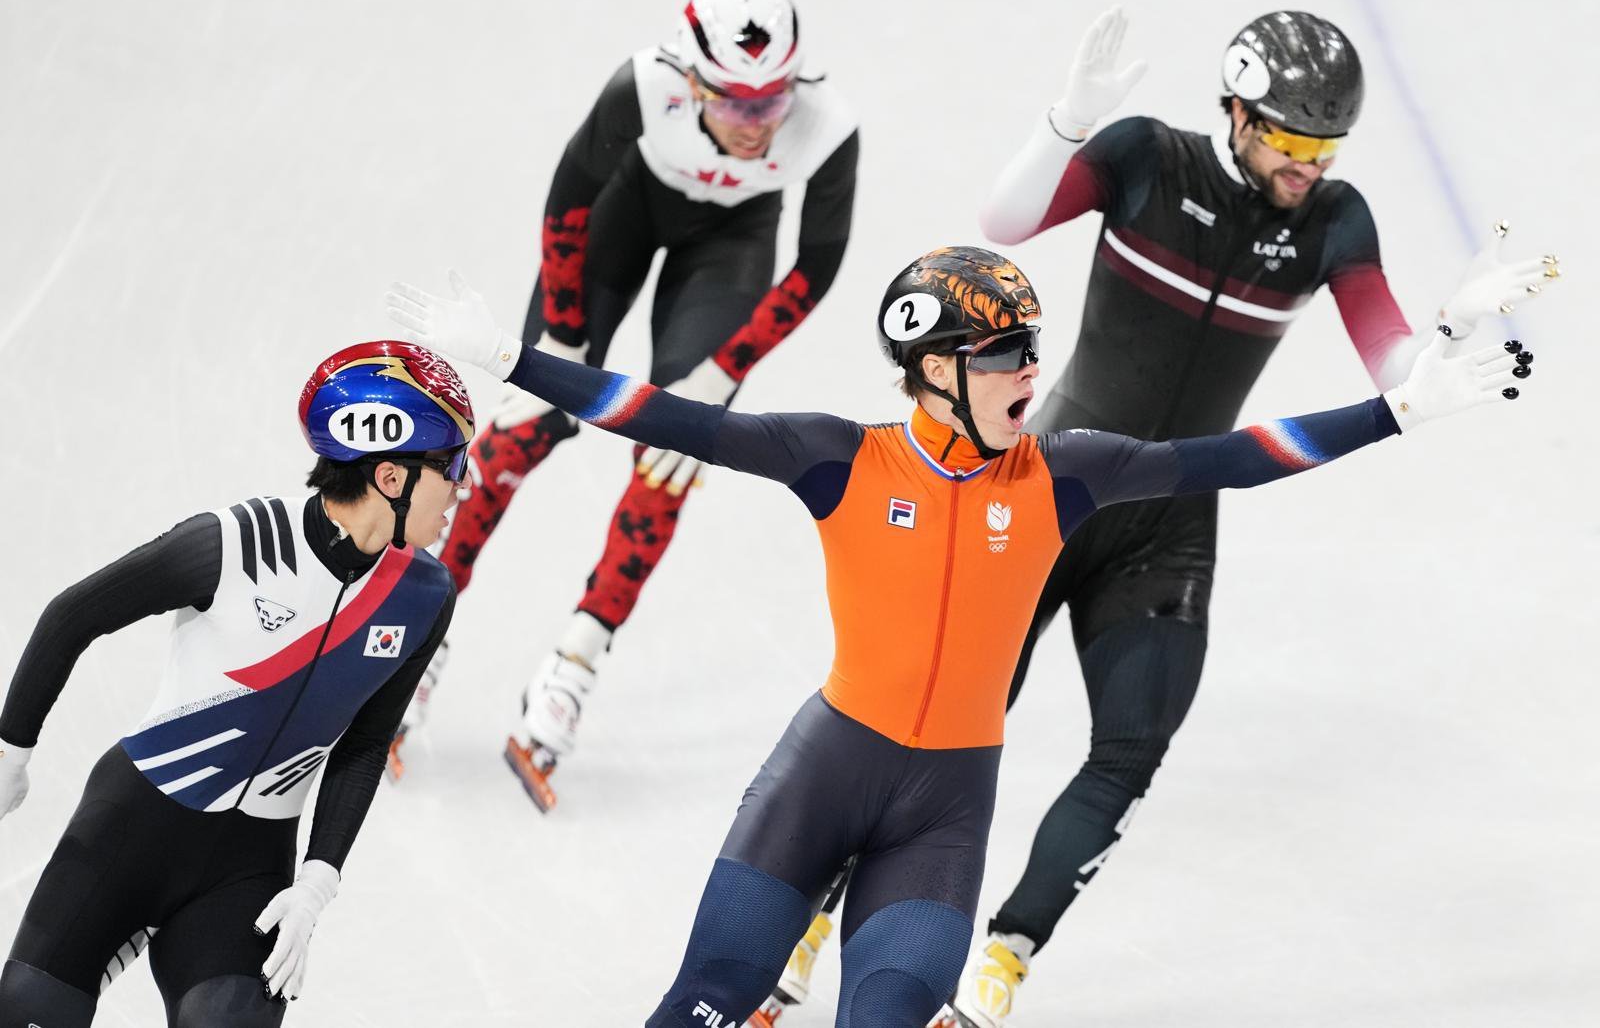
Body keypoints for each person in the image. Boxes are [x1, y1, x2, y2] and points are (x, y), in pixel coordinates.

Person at [385, 239, 1537, 1027]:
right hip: (825, 773)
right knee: (708, 997)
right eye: (1003, 358)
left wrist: (1398, 410)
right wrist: (511, 360)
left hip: (942, 811)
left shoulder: (1069, 472)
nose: (1031, 375)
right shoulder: (838, 456)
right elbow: (662, 412)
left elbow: (1235, 460)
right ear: (935, 371)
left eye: (1032, 351)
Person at [888, 8, 1556, 1028]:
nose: (1307, 164)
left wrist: (1444, 338)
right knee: (947, 728)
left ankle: (998, 969)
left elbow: (1390, 361)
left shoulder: (1333, 219)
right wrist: (1066, 123)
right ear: (1237, 112)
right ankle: (816, 922)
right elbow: (1004, 220)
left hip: (1169, 523)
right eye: (1290, 139)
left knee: (1129, 751)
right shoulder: (1146, 159)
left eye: (1324, 146)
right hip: (1046, 495)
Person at [387, 0, 859, 812]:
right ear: (691, 80)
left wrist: (720, 373)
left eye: (772, 105)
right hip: (625, 210)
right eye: (735, 105)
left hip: (733, 245)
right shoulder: (643, 84)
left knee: (674, 452)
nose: (756, 129)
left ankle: (574, 665)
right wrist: (560, 343)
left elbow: (814, 269)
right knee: (523, 427)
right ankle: (418, 637)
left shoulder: (827, 126)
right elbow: (568, 209)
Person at [0, 342, 470, 1027]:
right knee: (26, 1012)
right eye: (453, 465)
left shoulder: (425, 596)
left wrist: (317, 879)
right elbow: (73, 614)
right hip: (130, 831)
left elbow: (366, 744)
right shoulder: (238, 543)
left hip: (245, 874)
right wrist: (11, 752)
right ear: (392, 477)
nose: (464, 484)